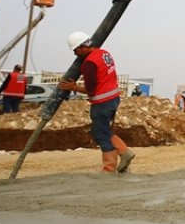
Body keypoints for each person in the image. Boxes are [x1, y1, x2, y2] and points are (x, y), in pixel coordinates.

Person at [57, 32, 135, 174]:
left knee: (100, 134)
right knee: (104, 130)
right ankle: (124, 152)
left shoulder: (89, 63)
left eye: (75, 50)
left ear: (82, 47)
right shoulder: (104, 53)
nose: (75, 54)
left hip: (102, 102)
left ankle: (110, 168)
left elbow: (91, 90)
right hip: (113, 98)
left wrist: (73, 87)